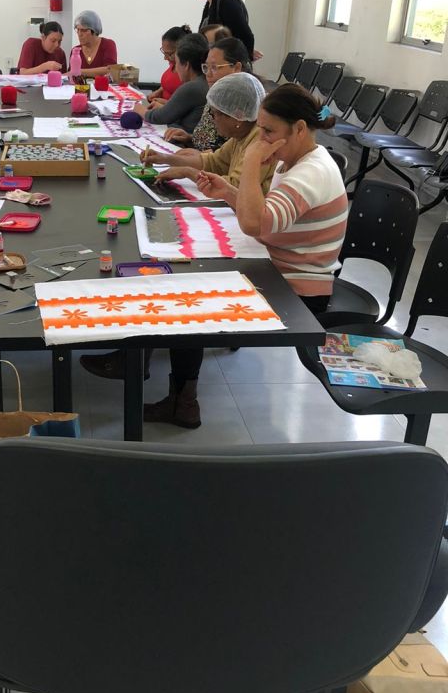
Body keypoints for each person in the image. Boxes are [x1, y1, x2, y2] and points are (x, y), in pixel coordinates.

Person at [143, 84, 348, 428]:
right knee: (190, 270)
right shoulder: (298, 159)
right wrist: (227, 191)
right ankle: (173, 386)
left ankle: (183, 403)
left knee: (189, 293)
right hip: (280, 265)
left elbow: (255, 223)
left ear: (299, 128)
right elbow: (265, 215)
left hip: (298, 290)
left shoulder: (310, 173)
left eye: (268, 131)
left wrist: (253, 161)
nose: (261, 139)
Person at [80, 73, 272, 391]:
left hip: (246, 232)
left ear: (238, 117)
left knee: (172, 267)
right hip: (235, 218)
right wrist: (167, 158)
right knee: (159, 255)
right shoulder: (242, 136)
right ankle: (141, 352)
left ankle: (146, 361)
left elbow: (233, 186)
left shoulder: (255, 144)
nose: (212, 120)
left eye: (217, 114)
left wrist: (187, 171)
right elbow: (213, 161)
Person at [166, 37, 252, 152]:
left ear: (236, 68)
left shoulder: (244, 103)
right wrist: (189, 138)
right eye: (206, 67)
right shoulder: (216, 94)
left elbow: (229, 155)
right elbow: (209, 141)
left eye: (214, 67)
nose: (208, 74)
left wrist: (202, 157)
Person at [133, 33, 208, 132]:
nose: (175, 68)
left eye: (176, 63)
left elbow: (159, 117)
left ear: (186, 65)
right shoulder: (203, 81)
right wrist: (167, 106)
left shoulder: (192, 87)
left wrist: (140, 110)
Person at [191, 0, 261, 60]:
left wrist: (245, 58)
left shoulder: (228, 2)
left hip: (228, 62)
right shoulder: (209, 4)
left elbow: (245, 35)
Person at [146, 25, 190, 109]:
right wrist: (159, 91)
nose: (165, 58)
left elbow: (185, 107)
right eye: (164, 52)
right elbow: (169, 84)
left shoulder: (188, 72)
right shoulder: (173, 64)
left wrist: (164, 103)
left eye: (169, 54)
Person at [71, 10, 118, 76]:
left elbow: (110, 69)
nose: (79, 34)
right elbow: (71, 74)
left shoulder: (108, 44)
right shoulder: (76, 50)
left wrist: (79, 71)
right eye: (77, 30)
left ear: (94, 31)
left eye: (83, 30)